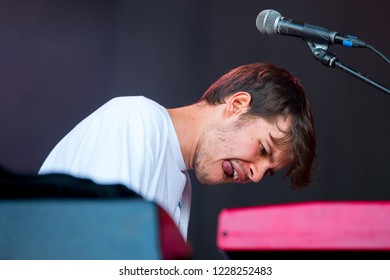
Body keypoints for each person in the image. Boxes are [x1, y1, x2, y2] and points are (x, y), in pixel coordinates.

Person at [39, 62, 316, 241]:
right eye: (263, 149)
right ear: (237, 105)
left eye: (267, 172)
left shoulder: (182, 186)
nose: (255, 176)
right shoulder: (137, 120)